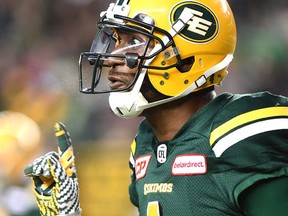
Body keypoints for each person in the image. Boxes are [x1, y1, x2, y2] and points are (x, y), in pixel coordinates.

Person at [25, 0, 288, 215]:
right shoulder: (145, 147)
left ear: (185, 59)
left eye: (134, 41)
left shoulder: (241, 134)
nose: (113, 58)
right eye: (117, 41)